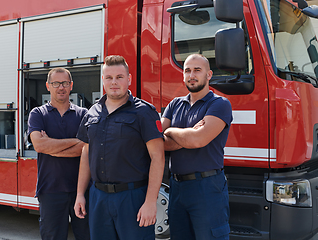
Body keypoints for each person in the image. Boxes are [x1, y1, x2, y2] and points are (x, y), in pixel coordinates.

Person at [74, 55, 165, 240]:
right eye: (109, 77)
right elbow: (86, 153)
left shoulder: (144, 112)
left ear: (129, 79)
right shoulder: (92, 112)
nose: (114, 82)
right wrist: (80, 194)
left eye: (119, 77)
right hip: (98, 197)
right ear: (103, 80)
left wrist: (150, 202)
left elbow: (158, 157)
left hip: (132, 198)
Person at [161, 54, 232, 240]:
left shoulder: (219, 104)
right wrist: (188, 132)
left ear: (209, 75)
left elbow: (198, 141)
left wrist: (171, 131)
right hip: (176, 188)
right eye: (187, 70)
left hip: (207, 187)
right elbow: (159, 141)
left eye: (197, 70)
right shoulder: (174, 104)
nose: (192, 75)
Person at [28, 67, 90, 240]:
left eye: (64, 83)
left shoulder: (84, 114)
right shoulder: (38, 114)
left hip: (82, 190)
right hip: (50, 190)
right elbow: (39, 145)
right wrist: (75, 141)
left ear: (71, 86)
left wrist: (52, 148)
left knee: (87, 236)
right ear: (48, 86)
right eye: (56, 83)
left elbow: (86, 147)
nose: (60, 87)